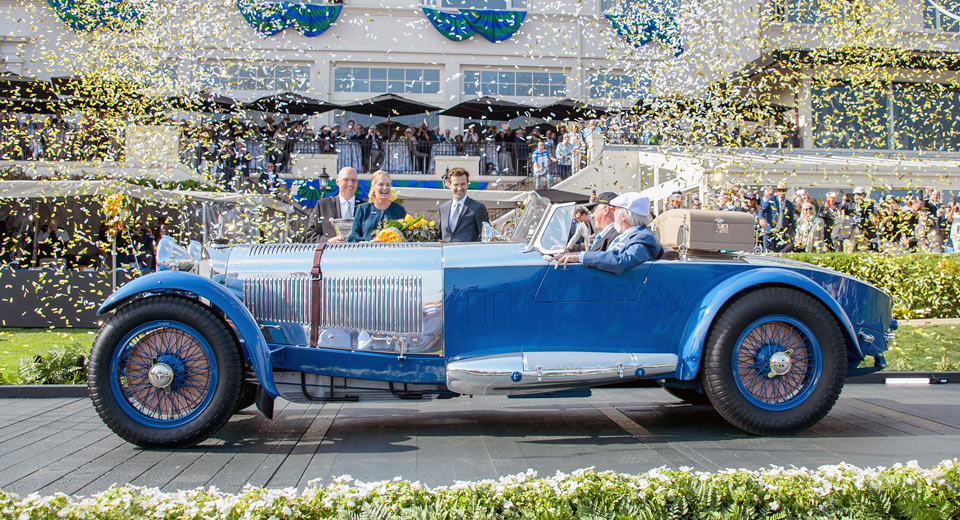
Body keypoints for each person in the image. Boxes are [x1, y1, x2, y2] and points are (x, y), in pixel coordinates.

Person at [552, 193, 662, 274]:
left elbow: (622, 261)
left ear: (623, 216)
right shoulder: (630, 235)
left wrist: (581, 257)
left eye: (614, 210)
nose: (613, 214)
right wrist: (572, 255)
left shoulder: (643, 238)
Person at [332, 170, 405, 243]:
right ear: (373, 187)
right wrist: (363, 243)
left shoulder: (399, 210)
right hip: (366, 252)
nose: (385, 188)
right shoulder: (363, 209)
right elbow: (352, 237)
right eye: (381, 184)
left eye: (388, 185)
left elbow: (406, 237)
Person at [303, 167, 362, 243]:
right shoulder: (323, 205)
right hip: (331, 253)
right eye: (346, 180)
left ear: (357, 183)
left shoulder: (365, 207)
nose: (350, 183)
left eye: (353, 180)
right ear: (337, 182)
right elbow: (309, 236)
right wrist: (328, 241)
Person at [438, 168, 489, 242]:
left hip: (469, 253)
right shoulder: (443, 209)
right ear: (449, 185)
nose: (459, 188)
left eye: (463, 184)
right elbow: (439, 236)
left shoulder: (478, 208)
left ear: (467, 184)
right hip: (446, 253)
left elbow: (486, 236)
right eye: (456, 184)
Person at [759, 182, 795, 252]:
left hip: (781, 233)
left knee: (780, 254)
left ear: (786, 191)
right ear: (777, 191)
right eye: (780, 190)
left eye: (783, 190)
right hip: (769, 231)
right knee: (767, 252)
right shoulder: (771, 200)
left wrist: (792, 231)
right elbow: (762, 211)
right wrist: (761, 219)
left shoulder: (789, 204)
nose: (781, 192)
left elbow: (791, 220)